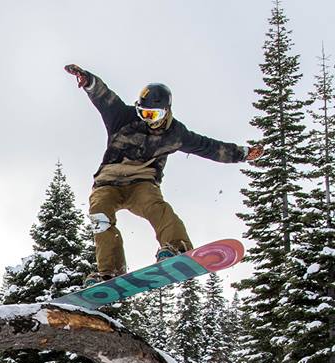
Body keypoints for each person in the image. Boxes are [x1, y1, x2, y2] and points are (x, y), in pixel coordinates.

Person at [64, 64, 263, 285]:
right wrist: (89, 81)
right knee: (100, 216)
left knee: (156, 206)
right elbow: (105, 97)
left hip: (142, 183)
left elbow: (209, 147)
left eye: (152, 114)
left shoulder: (175, 134)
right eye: (143, 112)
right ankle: (109, 271)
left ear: (166, 111)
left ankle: (176, 247)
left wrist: (242, 154)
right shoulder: (122, 117)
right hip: (108, 183)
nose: (146, 118)